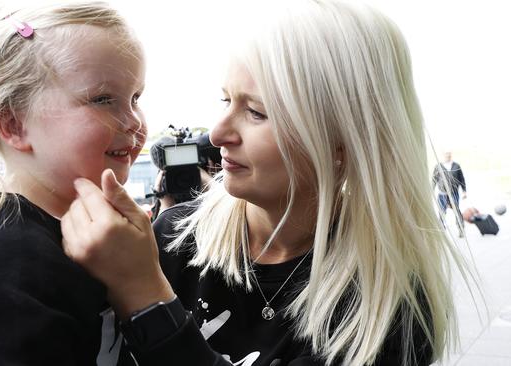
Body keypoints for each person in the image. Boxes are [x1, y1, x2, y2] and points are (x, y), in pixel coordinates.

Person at [62, 1, 477, 365]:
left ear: (342, 142)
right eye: (226, 100)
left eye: (256, 112)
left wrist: (146, 296)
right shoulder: (175, 237)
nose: (217, 133)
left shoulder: (387, 307)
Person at [0, 2, 148, 365]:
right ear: (14, 126)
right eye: (102, 99)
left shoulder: (88, 234)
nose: (133, 121)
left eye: (135, 98)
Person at [432, 151, 467, 237]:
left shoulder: (456, 166)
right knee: (442, 212)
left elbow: (461, 179)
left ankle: (461, 229)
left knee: (457, 211)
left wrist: (464, 191)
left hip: (453, 193)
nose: (447, 156)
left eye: (449, 155)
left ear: (451, 156)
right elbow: (434, 179)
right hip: (442, 194)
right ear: (443, 156)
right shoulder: (438, 166)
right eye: (446, 155)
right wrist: (431, 190)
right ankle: (441, 229)